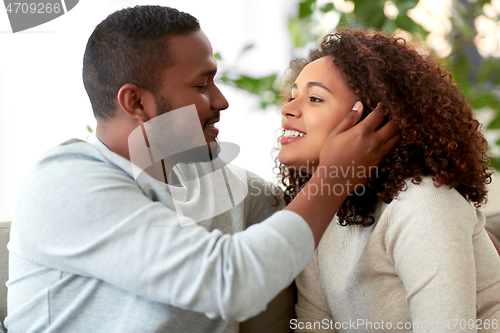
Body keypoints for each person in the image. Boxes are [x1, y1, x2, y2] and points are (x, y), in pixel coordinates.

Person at [5, 7, 399, 333]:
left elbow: (298, 224)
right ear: (136, 102)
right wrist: (333, 177)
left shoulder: (218, 183)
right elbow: (230, 281)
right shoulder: (65, 184)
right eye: (201, 86)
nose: (222, 101)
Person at [274, 29, 500, 332]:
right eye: (292, 96)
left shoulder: (423, 203)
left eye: (315, 98)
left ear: (373, 118)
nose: (287, 109)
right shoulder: (324, 211)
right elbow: (314, 326)